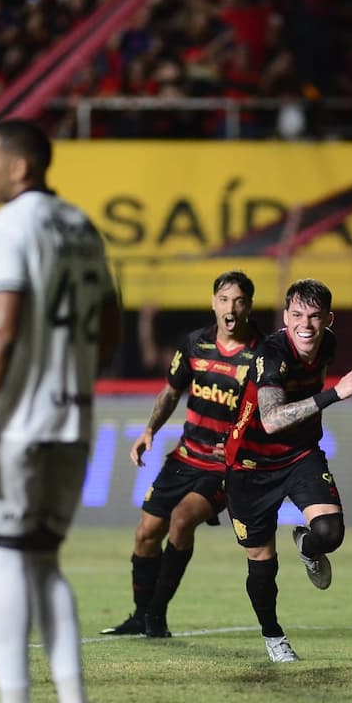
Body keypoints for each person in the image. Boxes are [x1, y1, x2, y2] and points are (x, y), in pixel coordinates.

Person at [0, 119, 121, 703]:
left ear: (20, 168)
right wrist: (68, 377)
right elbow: (110, 323)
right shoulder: (80, 226)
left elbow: (1, 330)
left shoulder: (4, 228)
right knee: (43, 562)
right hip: (71, 420)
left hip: (10, 426)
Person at [102, 270, 261, 639]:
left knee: (182, 519)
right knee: (145, 534)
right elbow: (171, 392)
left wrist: (247, 445)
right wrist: (149, 431)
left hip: (224, 466)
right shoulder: (194, 345)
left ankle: (156, 616)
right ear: (213, 303)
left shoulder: (261, 355)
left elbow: (270, 411)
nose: (230, 308)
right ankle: (142, 615)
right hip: (185, 457)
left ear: (249, 306)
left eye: (238, 301)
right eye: (223, 300)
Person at [223, 278, 352, 663]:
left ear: (328, 319)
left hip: (299, 455)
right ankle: (273, 635)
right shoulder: (271, 354)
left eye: (314, 316)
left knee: (330, 532)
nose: (305, 324)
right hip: (250, 464)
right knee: (262, 561)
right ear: (285, 317)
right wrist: (335, 394)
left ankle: (307, 545)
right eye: (297, 315)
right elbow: (271, 420)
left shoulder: (328, 345)